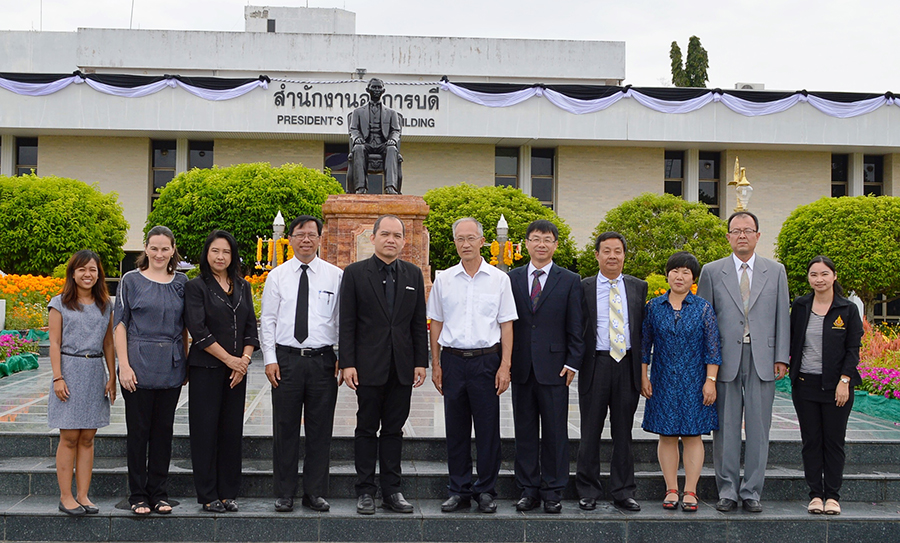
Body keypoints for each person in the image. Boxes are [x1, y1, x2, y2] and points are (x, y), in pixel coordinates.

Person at [696, 211, 790, 513]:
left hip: (763, 357)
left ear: (758, 236)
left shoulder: (775, 271)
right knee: (725, 427)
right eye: (735, 231)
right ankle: (727, 490)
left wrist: (781, 357)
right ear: (727, 237)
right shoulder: (712, 271)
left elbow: (781, 317)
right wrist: (708, 364)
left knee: (760, 427)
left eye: (748, 230)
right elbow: (705, 319)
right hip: (724, 359)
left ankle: (752, 491)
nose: (742, 236)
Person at [427, 217, 518, 514]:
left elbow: (506, 326)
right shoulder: (444, 279)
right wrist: (436, 364)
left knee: (488, 429)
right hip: (453, 361)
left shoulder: (499, 279)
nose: (465, 244)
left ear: (482, 241)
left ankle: (486, 490)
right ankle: (459, 489)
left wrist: (505, 366)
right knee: (456, 429)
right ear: (455, 243)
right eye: (460, 239)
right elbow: (436, 322)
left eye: (471, 238)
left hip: (486, 362)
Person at [339, 215, 428, 515]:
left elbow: (418, 322)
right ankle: (365, 490)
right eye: (385, 234)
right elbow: (347, 322)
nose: (391, 240)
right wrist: (347, 363)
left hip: (402, 367)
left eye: (397, 235)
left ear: (404, 241)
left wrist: (421, 362)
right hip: (367, 366)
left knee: (394, 430)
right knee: (366, 428)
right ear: (373, 238)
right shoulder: (354, 273)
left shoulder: (413, 275)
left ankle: (392, 490)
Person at [260, 215, 343, 513]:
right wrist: (269, 359)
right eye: (300, 234)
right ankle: (284, 493)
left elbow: (341, 321)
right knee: (285, 428)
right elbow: (267, 320)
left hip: (323, 362)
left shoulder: (335, 275)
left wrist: (342, 358)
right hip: (287, 361)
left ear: (320, 238)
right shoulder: (277, 276)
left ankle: (314, 492)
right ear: (290, 239)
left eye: (311, 234)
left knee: (321, 430)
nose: (306, 239)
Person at [508, 220, 584, 514]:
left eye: (548, 239)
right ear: (525, 243)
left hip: (556, 368)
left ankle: (553, 490)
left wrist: (572, 362)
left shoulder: (569, 280)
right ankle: (528, 490)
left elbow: (577, 326)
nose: (541, 244)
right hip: (522, 367)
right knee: (524, 430)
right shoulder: (511, 278)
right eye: (536, 239)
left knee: (555, 432)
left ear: (555, 245)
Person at [115, 225, 189, 515]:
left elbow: (184, 327)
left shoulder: (182, 282)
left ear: (173, 250)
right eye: (154, 248)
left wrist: (183, 361)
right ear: (146, 248)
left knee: (163, 433)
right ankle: (138, 495)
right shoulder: (130, 280)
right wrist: (124, 366)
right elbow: (119, 324)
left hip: (170, 365)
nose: (159, 253)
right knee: (138, 433)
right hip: (138, 365)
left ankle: (159, 493)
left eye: (165, 248)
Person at [184, 230, 259, 513]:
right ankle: (207, 494)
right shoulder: (196, 287)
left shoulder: (242, 285)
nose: (220, 256)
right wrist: (230, 360)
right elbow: (198, 330)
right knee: (205, 431)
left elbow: (251, 326)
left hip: (237, 371)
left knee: (230, 431)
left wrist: (244, 361)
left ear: (233, 255)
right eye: (215, 251)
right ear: (207, 254)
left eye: (226, 252)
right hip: (207, 368)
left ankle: (228, 492)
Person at [640, 251, 721, 512]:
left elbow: (713, 349)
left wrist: (711, 381)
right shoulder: (654, 307)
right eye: (676, 270)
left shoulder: (703, 308)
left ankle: (691, 491)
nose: (680, 276)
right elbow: (644, 347)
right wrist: (644, 376)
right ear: (668, 274)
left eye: (686, 272)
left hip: (694, 381)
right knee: (667, 434)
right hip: (662, 380)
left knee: (692, 435)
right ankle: (671, 488)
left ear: (693, 279)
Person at [576, 231, 647, 512]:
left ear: (624, 255)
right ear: (597, 255)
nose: (612, 256)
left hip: (626, 365)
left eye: (618, 251)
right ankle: (588, 490)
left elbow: (642, 330)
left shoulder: (638, 287)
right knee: (589, 431)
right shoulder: (583, 287)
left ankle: (623, 490)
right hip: (596, 364)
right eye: (606, 251)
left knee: (623, 432)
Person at [789, 256, 862, 516]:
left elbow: (853, 350)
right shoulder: (800, 306)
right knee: (811, 441)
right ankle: (815, 495)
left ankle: (832, 496)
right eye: (813, 275)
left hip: (837, 387)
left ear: (834, 276)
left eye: (824, 274)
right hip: (805, 384)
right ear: (808, 278)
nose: (819, 279)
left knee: (833, 441)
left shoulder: (847, 309)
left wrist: (845, 380)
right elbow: (792, 339)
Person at [48, 250, 116, 516]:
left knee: (88, 437)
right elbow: (53, 343)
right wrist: (57, 377)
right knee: (69, 436)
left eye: (93, 270)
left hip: (94, 370)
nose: (88, 275)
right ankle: (66, 497)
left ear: (99, 274)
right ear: (73, 273)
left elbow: (109, 341)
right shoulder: (60, 303)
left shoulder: (104, 304)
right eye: (82, 270)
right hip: (68, 369)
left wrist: (112, 376)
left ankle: (83, 495)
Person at [348, 77, 403, 194]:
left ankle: (390, 187)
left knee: (392, 149)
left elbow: (395, 131)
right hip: (366, 144)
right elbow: (353, 129)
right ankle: (361, 188)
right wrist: (357, 138)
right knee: (358, 148)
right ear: (368, 89)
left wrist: (392, 140)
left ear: (383, 90)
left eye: (379, 87)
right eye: (374, 87)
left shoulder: (392, 113)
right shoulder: (357, 112)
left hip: (383, 144)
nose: (376, 90)